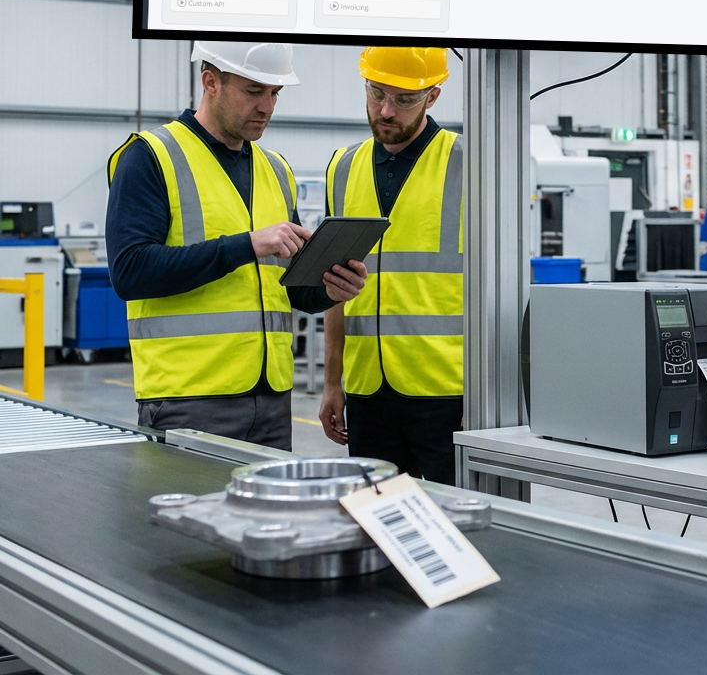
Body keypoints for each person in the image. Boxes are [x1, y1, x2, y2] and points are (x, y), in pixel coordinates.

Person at [106, 42, 367, 449]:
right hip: (189, 396)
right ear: (211, 82)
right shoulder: (150, 157)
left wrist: (326, 289)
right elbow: (130, 272)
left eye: (275, 93)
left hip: (272, 398)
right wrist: (245, 245)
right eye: (253, 91)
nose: (267, 106)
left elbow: (289, 287)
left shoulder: (276, 169)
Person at [319, 47, 463, 484]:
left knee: (449, 528)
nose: (385, 111)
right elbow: (333, 284)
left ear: (432, 97)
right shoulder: (343, 168)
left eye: (404, 100)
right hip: (367, 389)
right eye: (376, 93)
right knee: (373, 525)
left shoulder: (468, 163)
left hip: (448, 391)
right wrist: (332, 382)